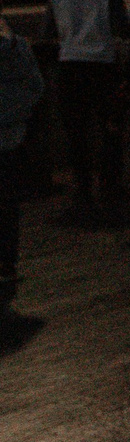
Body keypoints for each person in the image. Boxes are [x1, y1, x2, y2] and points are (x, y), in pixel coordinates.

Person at [44, 0, 130, 222]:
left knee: (76, 135)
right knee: (111, 129)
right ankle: (109, 187)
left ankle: (82, 194)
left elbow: (48, 33)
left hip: (69, 70)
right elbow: (122, 29)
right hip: (102, 70)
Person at [0, 15, 44, 291]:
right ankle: (5, 264)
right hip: (10, 136)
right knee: (6, 201)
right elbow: (36, 87)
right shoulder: (20, 48)